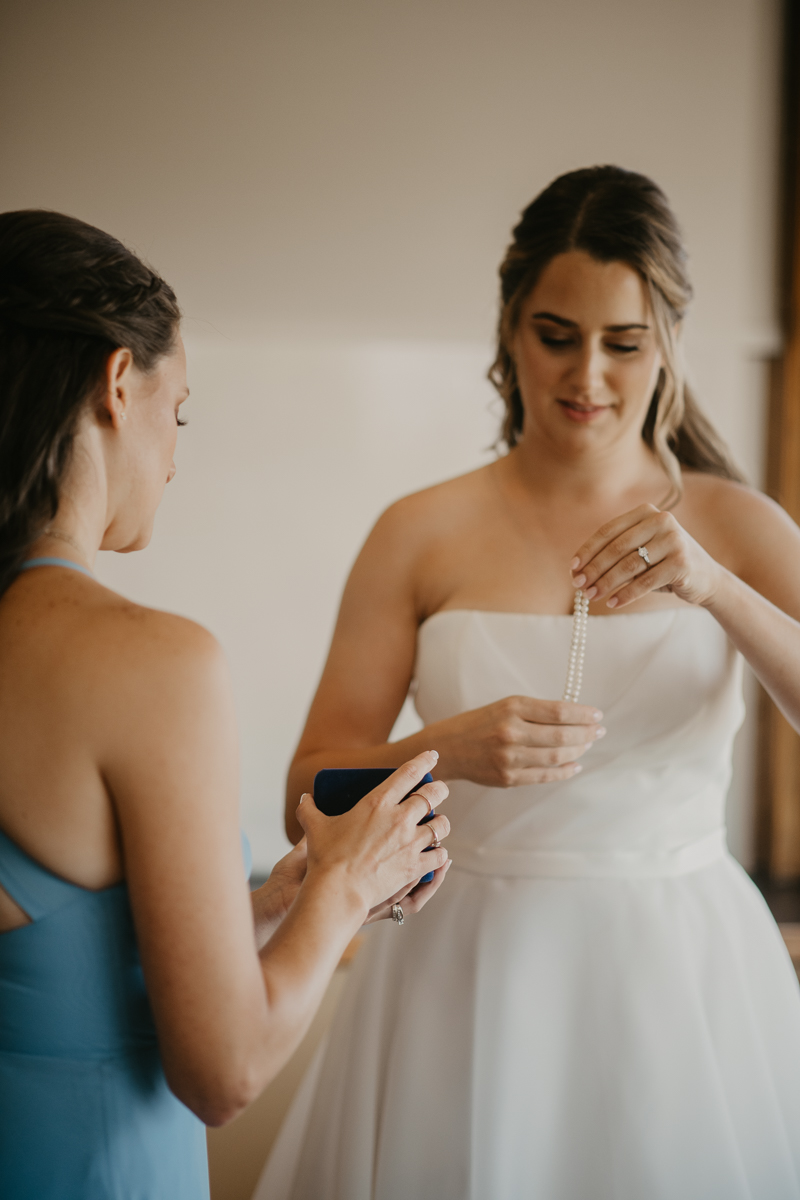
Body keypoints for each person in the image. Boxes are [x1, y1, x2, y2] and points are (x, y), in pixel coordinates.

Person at [258, 166, 800, 1199]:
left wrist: (715, 587)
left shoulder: (736, 525)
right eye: (555, 334)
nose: (585, 375)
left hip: (679, 974)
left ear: (665, 344)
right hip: (459, 966)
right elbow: (311, 786)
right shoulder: (417, 531)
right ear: (508, 329)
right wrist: (446, 751)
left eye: (622, 342)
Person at [0, 209, 451, 1200]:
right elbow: (223, 1070)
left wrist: (274, 901)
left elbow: (55, 953)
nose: (173, 452)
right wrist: (347, 886)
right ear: (118, 384)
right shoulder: (151, 664)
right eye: (181, 411)